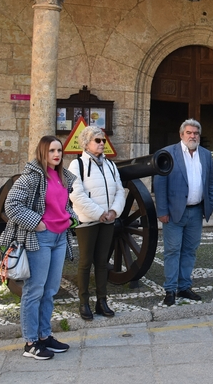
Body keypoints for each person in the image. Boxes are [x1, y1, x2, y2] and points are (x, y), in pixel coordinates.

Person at [0, 136, 76, 360]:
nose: (57, 154)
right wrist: (37, 222)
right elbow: (11, 205)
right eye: (52, 150)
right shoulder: (29, 178)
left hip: (60, 238)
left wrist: (71, 219)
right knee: (34, 290)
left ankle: (45, 336)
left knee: (50, 290)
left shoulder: (63, 177)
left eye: (59, 150)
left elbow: (65, 205)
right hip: (39, 239)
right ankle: (31, 342)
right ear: (42, 152)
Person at [154, 119, 213, 305]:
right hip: (173, 213)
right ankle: (170, 289)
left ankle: (184, 287)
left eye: (196, 133)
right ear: (181, 135)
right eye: (189, 132)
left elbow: (211, 183)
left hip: (196, 211)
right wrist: (162, 211)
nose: (192, 136)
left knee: (190, 250)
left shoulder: (205, 155)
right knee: (172, 250)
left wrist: (209, 206)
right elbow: (160, 185)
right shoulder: (168, 153)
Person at [68, 126, 126, 319]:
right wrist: (99, 213)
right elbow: (76, 194)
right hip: (87, 221)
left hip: (107, 221)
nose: (102, 143)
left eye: (103, 140)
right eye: (98, 140)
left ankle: (102, 300)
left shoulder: (110, 165)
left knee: (102, 262)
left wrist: (113, 211)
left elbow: (119, 190)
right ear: (86, 143)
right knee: (85, 262)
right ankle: (83, 302)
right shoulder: (77, 165)